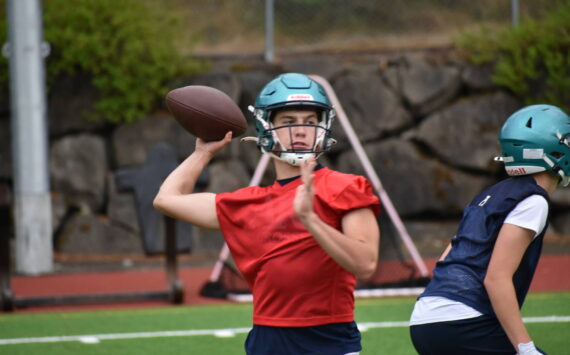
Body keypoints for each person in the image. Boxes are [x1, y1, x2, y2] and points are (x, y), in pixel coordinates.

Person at [154, 73, 381, 355]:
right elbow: (167, 199)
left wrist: (310, 219)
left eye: (310, 122)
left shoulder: (346, 186)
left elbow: (366, 264)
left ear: (323, 127)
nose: (301, 131)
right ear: (265, 127)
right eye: (288, 122)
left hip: (328, 341)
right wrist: (203, 153)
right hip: (266, 342)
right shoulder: (248, 203)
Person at [409, 104, 570, 355]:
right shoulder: (533, 201)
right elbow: (496, 279)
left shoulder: (490, 194)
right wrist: (525, 348)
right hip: (462, 320)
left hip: (425, 318)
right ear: (553, 148)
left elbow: (447, 258)